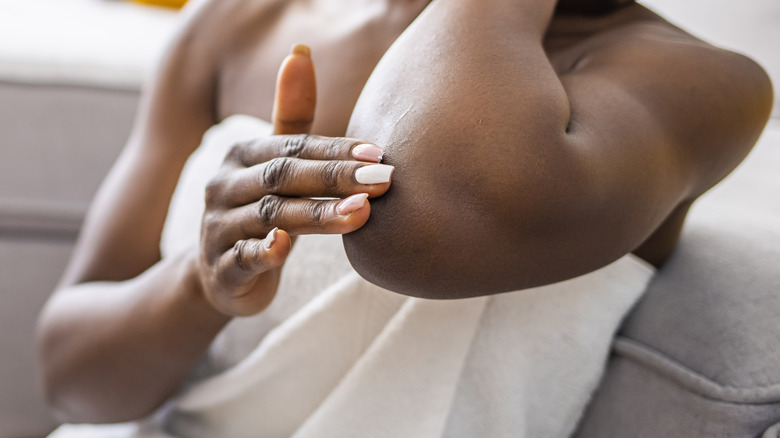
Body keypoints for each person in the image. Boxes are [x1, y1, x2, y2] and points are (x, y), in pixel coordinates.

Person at [36, 0, 773, 435]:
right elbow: (70, 376)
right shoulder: (238, 22)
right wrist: (197, 288)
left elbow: (422, 225)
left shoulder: (698, 81)